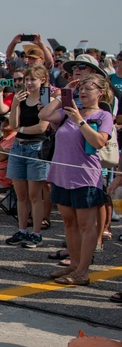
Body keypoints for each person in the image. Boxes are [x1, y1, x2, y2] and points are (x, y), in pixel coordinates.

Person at [40, 75, 113, 286]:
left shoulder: (103, 115)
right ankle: (74, 264)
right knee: (69, 222)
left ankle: (82, 271)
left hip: (85, 176)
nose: (83, 92)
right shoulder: (69, 109)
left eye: (88, 89)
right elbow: (43, 114)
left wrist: (80, 122)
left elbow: (99, 142)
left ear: (100, 91)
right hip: (61, 174)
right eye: (81, 88)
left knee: (86, 224)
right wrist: (64, 93)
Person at [5, 65, 51, 248]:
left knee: (34, 195)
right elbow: (13, 124)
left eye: (33, 79)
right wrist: (15, 104)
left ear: (42, 81)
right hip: (18, 147)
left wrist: (21, 129)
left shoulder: (46, 98)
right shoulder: (21, 98)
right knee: (21, 194)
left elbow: (42, 127)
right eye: (27, 80)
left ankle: (36, 233)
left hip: (36, 147)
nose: (29, 83)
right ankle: (22, 229)